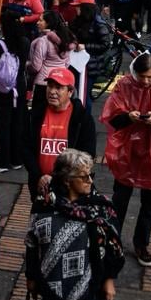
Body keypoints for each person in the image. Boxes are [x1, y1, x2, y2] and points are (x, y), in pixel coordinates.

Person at [100, 52, 151, 267]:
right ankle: (113, 240)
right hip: (128, 150)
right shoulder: (124, 86)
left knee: (149, 203)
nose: (146, 81)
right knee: (120, 199)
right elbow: (112, 119)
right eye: (142, 76)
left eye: (150, 76)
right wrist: (128, 116)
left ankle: (142, 243)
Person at [25, 148, 124, 300]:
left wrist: (109, 279)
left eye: (91, 175)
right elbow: (31, 244)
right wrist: (31, 277)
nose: (90, 181)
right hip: (50, 286)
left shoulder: (100, 208)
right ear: (66, 180)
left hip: (87, 288)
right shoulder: (43, 205)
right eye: (84, 177)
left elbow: (112, 247)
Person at [24, 67, 96, 200]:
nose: (52, 92)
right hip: (40, 184)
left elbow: (88, 154)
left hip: (69, 187)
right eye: (50, 86)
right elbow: (26, 148)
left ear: (70, 92)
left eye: (59, 88)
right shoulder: (35, 115)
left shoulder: (82, 118)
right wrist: (39, 176)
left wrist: (60, 179)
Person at [27, 10, 73, 118]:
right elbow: (67, 63)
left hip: (44, 83)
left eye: (41, 20)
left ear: (49, 23)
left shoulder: (43, 41)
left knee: (38, 117)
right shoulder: (66, 40)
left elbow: (36, 66)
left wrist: (27, 66)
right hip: (61, 83)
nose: (37, 23)